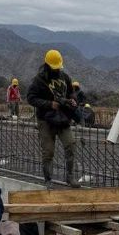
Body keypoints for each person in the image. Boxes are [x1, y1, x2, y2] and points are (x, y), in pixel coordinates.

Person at [27, 50, 78, 186]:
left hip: (62, 118)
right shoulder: (39, 80)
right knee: (48, 151)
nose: (56, 70)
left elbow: (71, 92)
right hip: (46, 119)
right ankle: (48, 179)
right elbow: (31, 98)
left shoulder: (65, 77)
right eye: (54, 67)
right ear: (47, 65)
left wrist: (72, 100)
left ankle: (70, 177)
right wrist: (50, 104)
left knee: (70, 144)